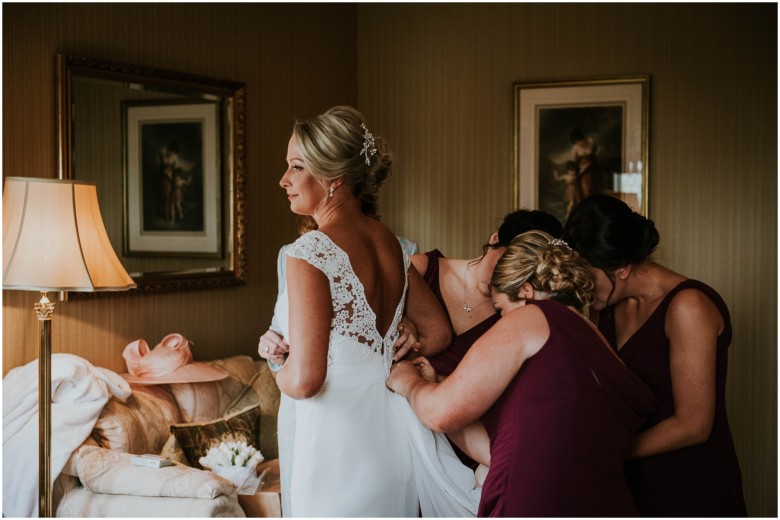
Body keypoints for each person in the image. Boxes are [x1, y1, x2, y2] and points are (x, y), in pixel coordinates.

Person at [266, 105, 480, 517]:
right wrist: (405, 338)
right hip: (391, 432)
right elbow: (438, 334)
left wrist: (280, 363)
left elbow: (306, 381)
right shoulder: (389, 242)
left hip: (335, 441)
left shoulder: (309, 251)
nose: (284, 180)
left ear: (333, 178)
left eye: (296, 167)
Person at [387, 230, 656, 516]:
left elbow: (441, 412)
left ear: (526, 292)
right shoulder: (602, 347)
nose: (500, 320)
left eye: (501, 309)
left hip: (536, 502)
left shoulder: (533, 317)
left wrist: (409, 382)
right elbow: (497, 451)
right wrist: (436, 383)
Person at [561, 194, 748, 516]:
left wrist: (608, 451)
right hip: (626, 482)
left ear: (620, 267)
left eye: (587, 275)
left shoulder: (688, 306)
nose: (582, 286)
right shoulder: (604, 306)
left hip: (688, 483)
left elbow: (694, 424)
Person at [409, 209, 563, 468]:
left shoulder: (516, 315)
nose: (503, 274)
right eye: (504, 260)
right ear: (494, 240)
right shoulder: (422, 269)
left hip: (470, 445)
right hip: (407, 428)